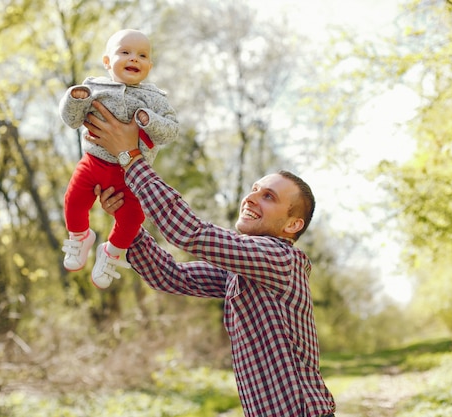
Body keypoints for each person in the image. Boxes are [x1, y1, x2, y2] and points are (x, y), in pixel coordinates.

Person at [84, 100, 337, 417]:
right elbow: (172, 276)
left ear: (292, 225)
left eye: (268, 197)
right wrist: (127, 221)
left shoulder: (281, 259)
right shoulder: (245, 273)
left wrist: (131, 159)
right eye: (255, 189)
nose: (251, 198)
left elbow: (191, 233)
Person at [58, 29, 178, 289]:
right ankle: (80, 236)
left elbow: (171, 131)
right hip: (93, 163)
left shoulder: (155, 99)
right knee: (74, 199)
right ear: (107, 61)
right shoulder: (93, 88)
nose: (134, 58)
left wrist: (149, 120)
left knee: (133, 218)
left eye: (142, 55)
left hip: (131, 173)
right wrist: (75, 99)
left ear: (150, 65)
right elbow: (71, 120)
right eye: (125, 52)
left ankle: (111, 252)